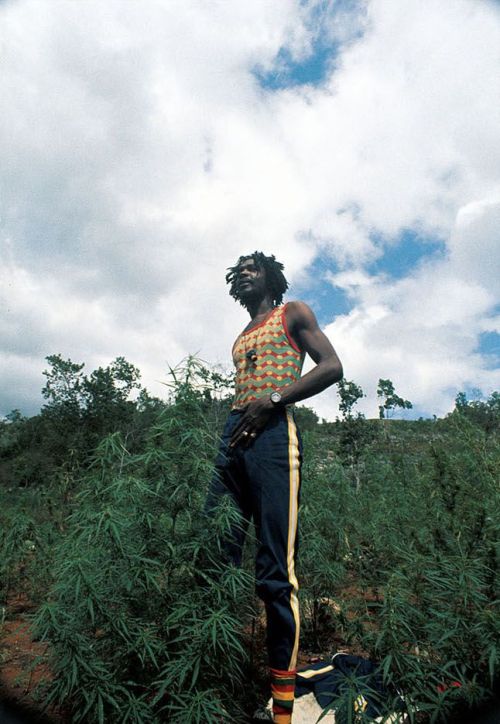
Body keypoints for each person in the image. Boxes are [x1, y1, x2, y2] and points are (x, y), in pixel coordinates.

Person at [206, 252, 343, 724]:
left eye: (252, 268)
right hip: (233, 438)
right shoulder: (241, 336)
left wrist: (274, 400)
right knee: (213, 557)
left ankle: (282, 709)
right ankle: (214, 683)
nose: (243, 274)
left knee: (273, 573)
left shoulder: (294, 313)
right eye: (237, 271)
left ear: (271, 278)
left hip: (272, 434)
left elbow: (331, 366)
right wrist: (245, 414)